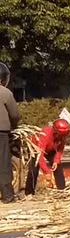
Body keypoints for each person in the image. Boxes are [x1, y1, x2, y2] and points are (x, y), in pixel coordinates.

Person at [25, 119, 69, 195]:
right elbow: (40, 155)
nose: (62, 137)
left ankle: (61, 190)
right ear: (55, 132)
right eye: (60, 135)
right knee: (34, 168)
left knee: (58, 166)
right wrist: (46, 172)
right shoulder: (45, 135)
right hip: (36, 149)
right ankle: (29, 192)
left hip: (50, 149)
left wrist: (56, 160)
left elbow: (60, 149)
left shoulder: (62, 136)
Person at [0, 62, 20, 203]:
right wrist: (13, 126)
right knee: (3, 164)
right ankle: (7, 196)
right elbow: (15, 115)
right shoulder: (5, 93)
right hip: (1, 133)